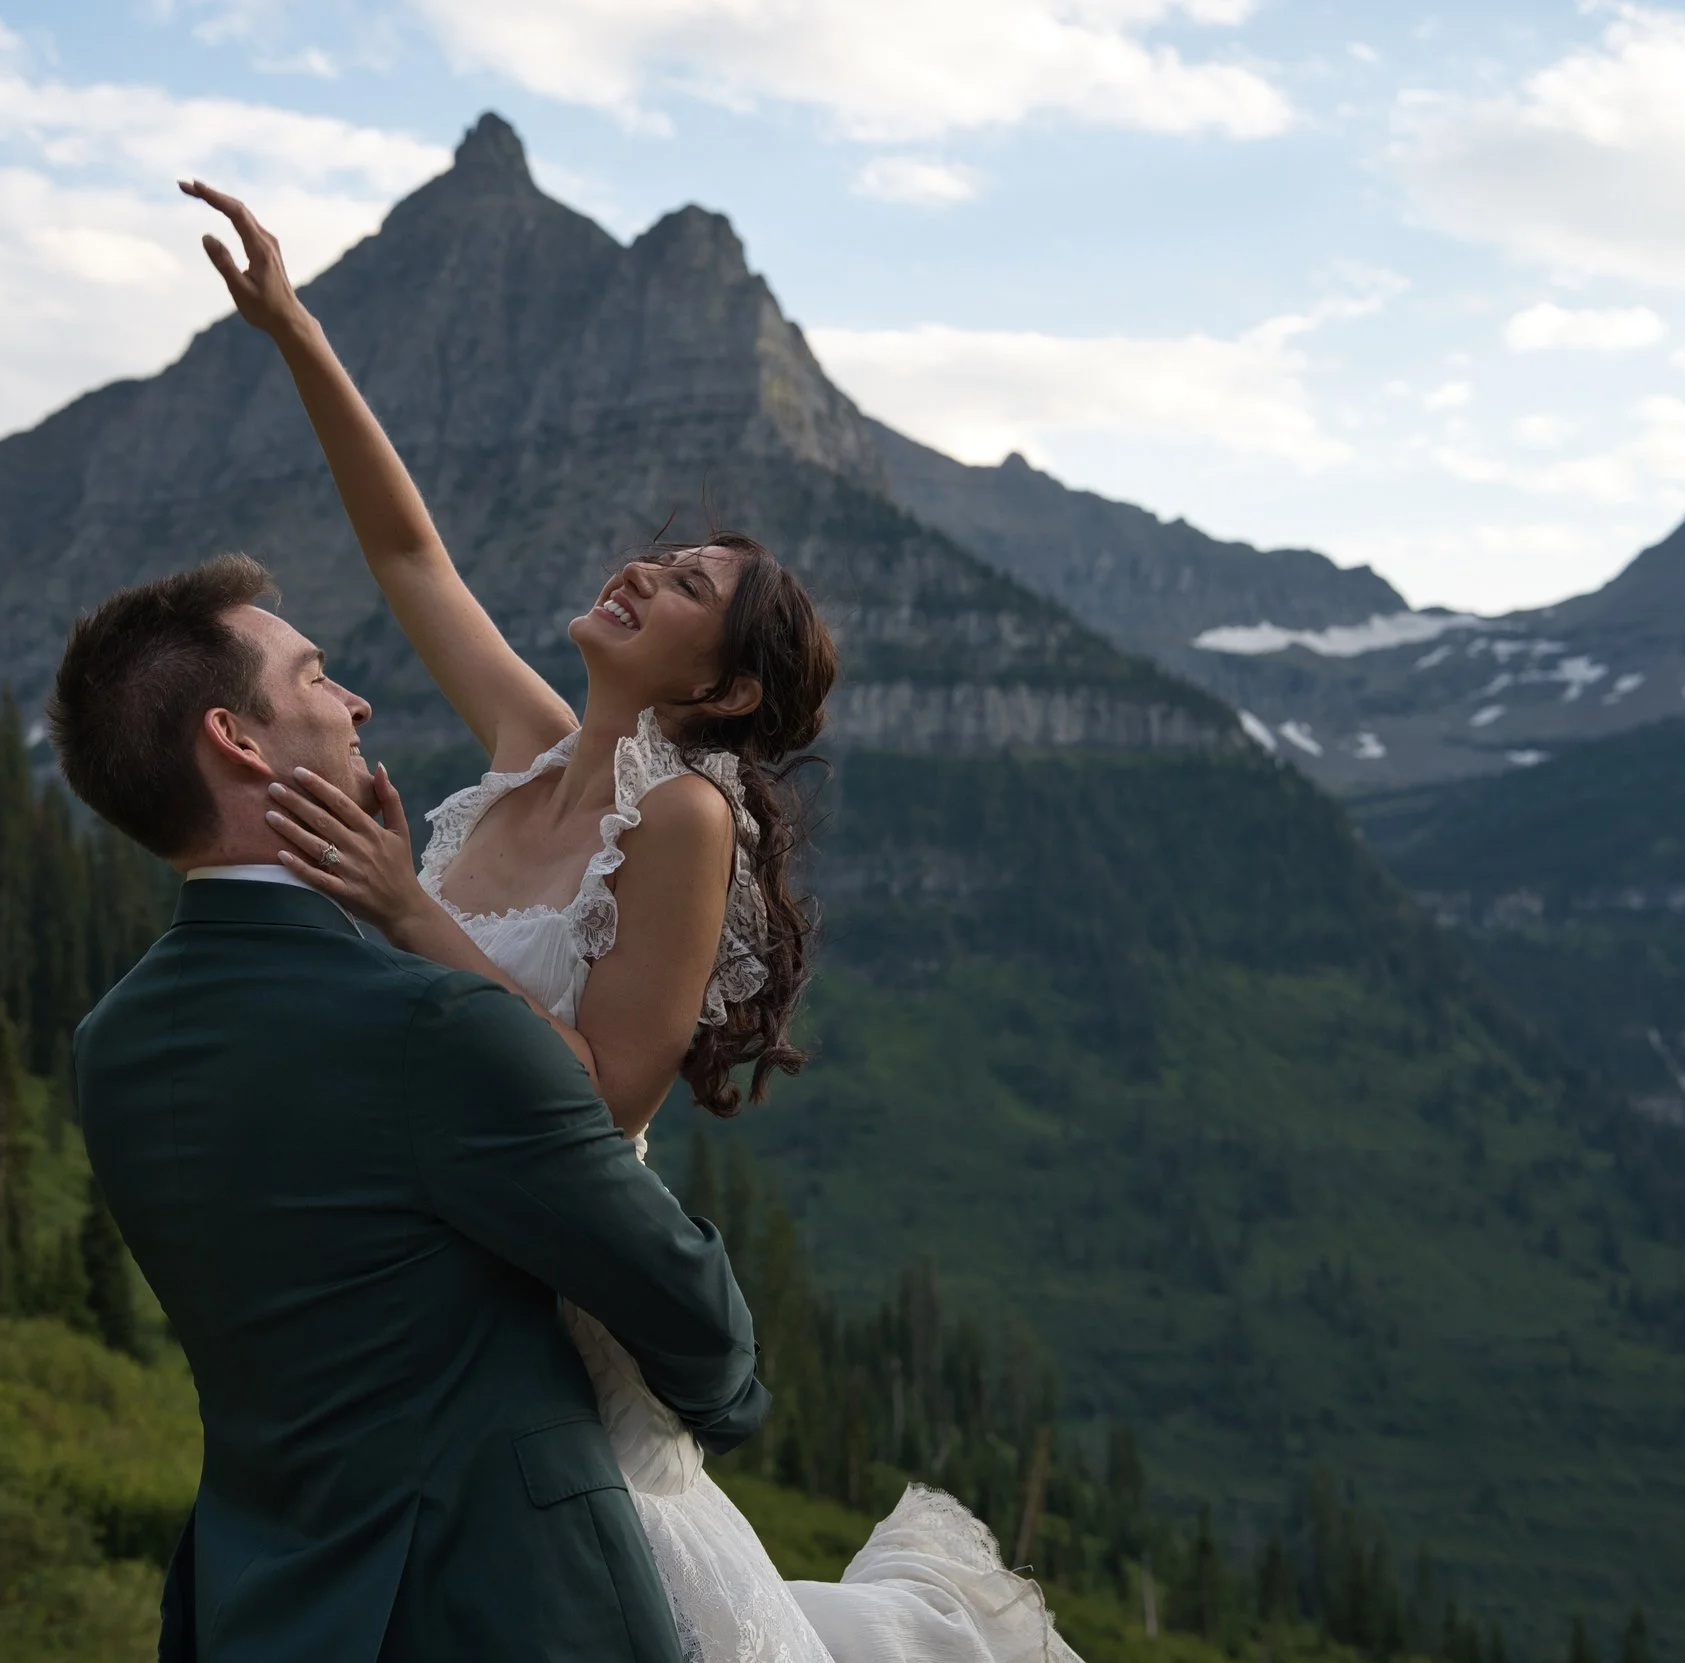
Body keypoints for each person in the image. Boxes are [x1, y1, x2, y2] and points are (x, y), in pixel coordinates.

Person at [184, 178, 1081, 1663]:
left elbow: (600, 1096)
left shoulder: (684, 820)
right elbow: (413, 560)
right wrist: (294, 328)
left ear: (720, 688)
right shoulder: (531, 744)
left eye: (677, 589)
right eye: (653, 559)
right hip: (437, 1244)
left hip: (556, 1286)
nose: (636, 573)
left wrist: (410, 907)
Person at [52, 554, 770, 1663]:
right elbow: (701, 1326)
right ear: (239, 743)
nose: (357, 702)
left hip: (254, 1610)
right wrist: (700, 1414)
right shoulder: (436, 1026)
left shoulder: (112, 1046)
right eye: (316, 678)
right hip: (504, 1609)